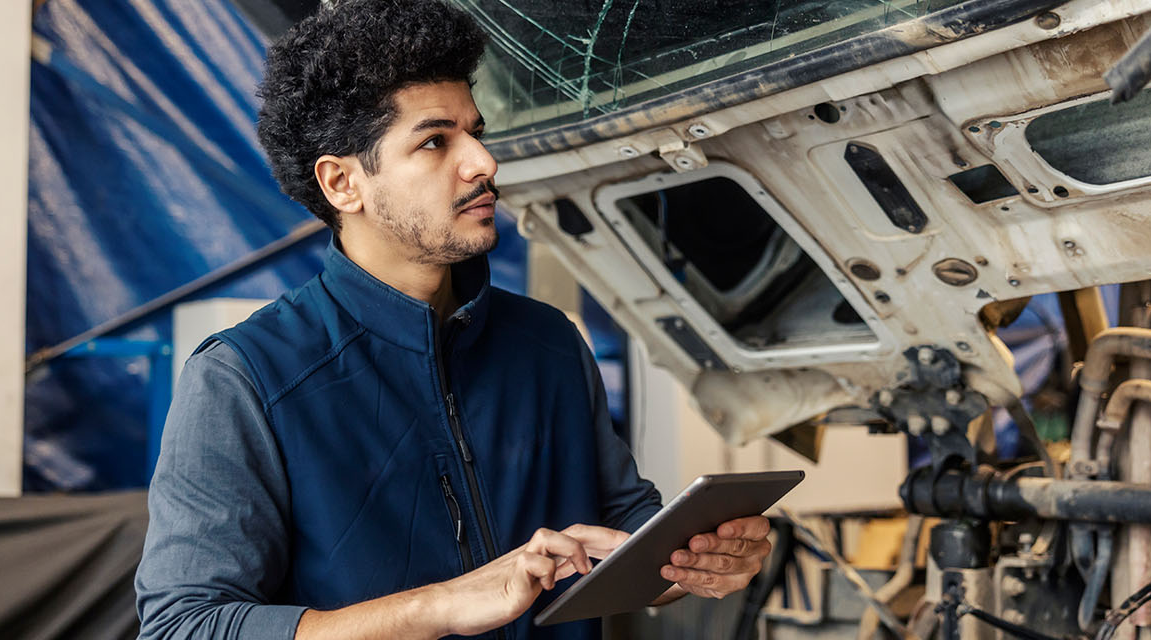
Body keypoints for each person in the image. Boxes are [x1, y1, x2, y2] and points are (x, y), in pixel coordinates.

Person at [134, 1, 773, 638]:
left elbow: (626, 538)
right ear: (342, 184)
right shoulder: (246, 379)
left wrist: (698, 563)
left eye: (477, 133)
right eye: (436, 141)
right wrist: (442, 605)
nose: (483, 164)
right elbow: (184, 625)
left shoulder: (547, 344)